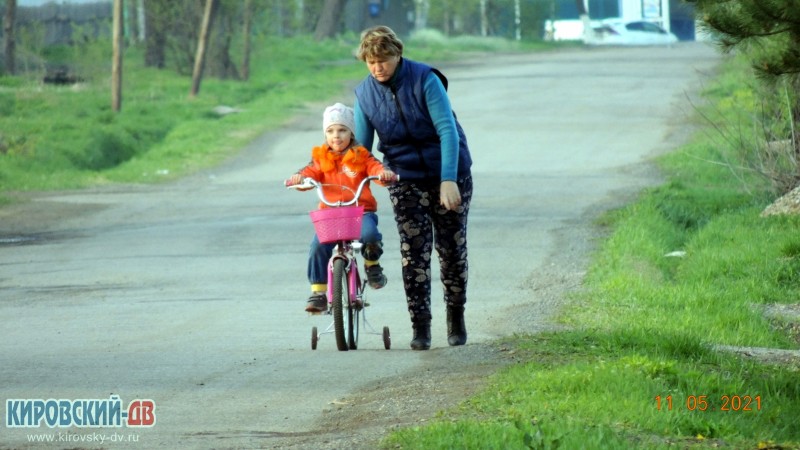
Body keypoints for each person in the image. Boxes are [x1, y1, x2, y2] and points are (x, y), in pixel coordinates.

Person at [353, 26, 473, 350]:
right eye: (371, 62)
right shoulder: (364, 94)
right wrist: (349, 186)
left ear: (397, 54)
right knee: (413, 253)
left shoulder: (425, 79)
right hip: (404, 176)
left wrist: (448, 179)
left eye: (384, 60)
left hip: (449, 169)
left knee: (451, 249)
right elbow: (362, 150)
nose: (378, 67)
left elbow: (447, 129)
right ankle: (421, 326)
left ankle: (456, 316)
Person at [288, 103, 396, 313]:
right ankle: (319, 292)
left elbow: (376, 168)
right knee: (318, 246)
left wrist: (384, 173)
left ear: (351, 133)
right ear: (325, 134)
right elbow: (309, 173)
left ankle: (372, 265)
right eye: (330, 131)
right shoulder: (321, 158)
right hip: (331, 215)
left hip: (360, 212)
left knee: (370, 235)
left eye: (342, 130)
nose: (336, 136)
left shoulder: (361, 156)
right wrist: (299, 178)